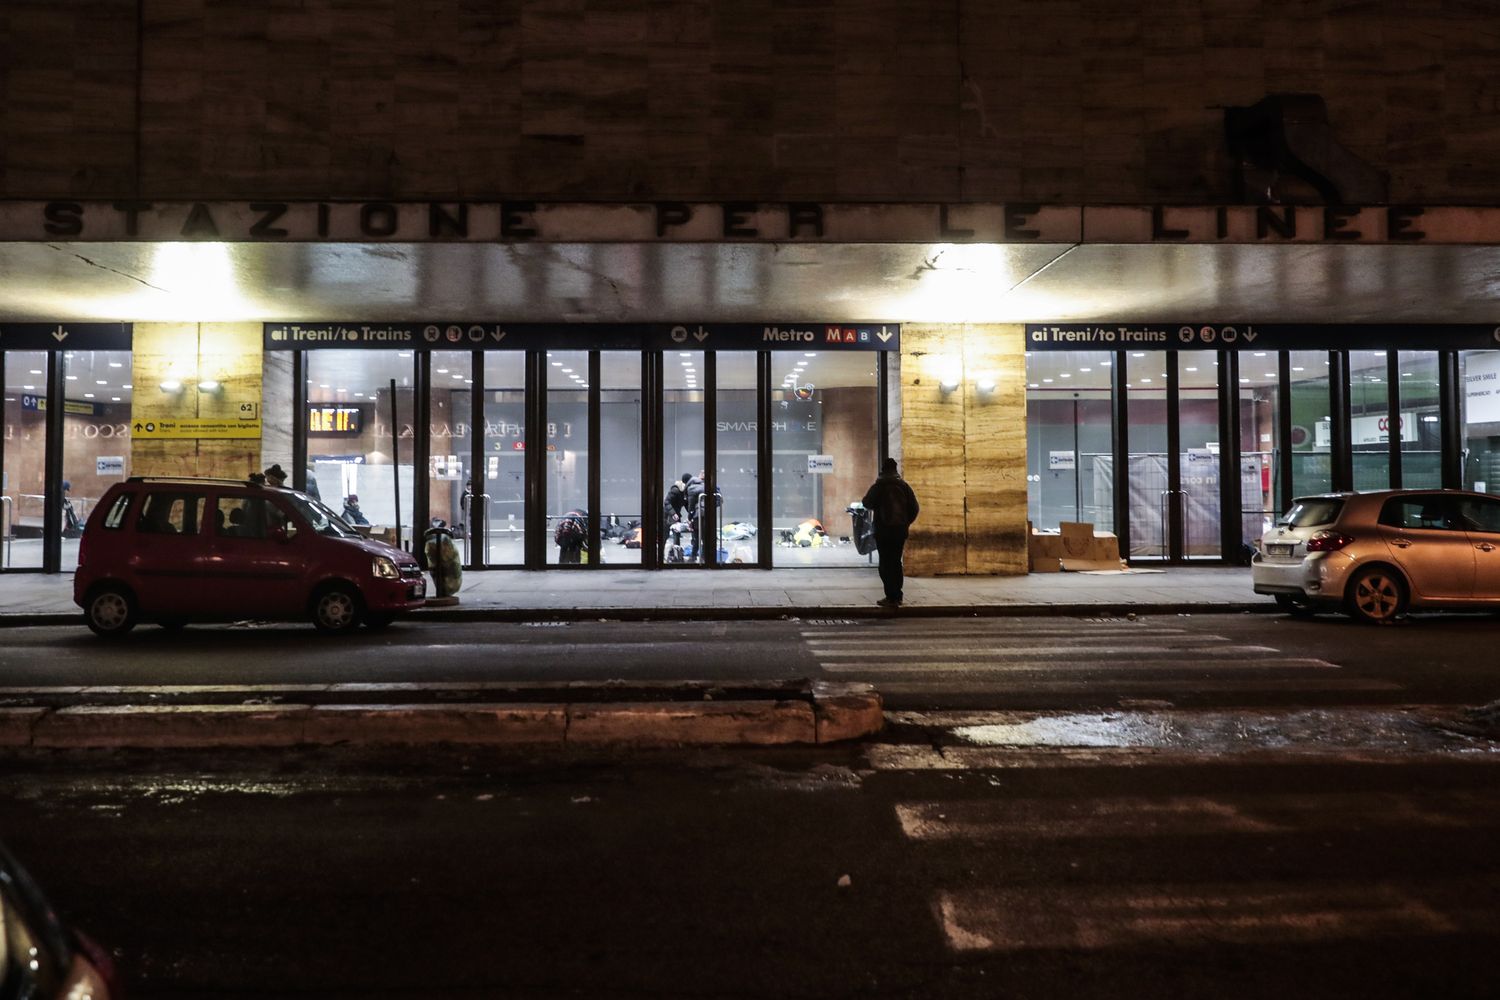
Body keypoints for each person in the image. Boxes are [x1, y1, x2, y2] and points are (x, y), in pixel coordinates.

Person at [862, 457, 920, 607]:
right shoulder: (904, 486)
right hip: (899, 532)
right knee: (895, 562)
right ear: (895, 469)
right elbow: (914, 508)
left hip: (883, 532)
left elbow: (866, 503)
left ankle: (890, 596)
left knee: (885, 564)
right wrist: (905, 523)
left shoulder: (879, 486)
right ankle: (897, 596)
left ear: (883, 469)